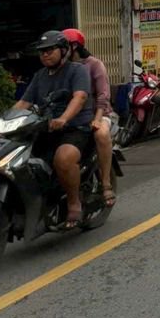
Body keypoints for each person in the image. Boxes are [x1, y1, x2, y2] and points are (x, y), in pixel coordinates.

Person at [13, 30, 92, 229]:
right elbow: (23, 103)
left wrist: (64, 118)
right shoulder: (40, 76)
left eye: (50, 50)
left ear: (63, 50)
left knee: (63, 158)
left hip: (75, 128)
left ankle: (74, 202)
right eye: (42, 51)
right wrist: (2, 122)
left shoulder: (77, 70)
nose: (45, 54)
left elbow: (80, 97)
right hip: (45, 129)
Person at [63, 28, 116, 208]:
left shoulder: (94, 65)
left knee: (101, 134)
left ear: (74, 46)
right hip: (73, 117)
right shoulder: (63, 68)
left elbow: (103, 95)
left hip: (99, 113)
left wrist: (97, 119)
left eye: (64, 46)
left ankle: (106, 183)